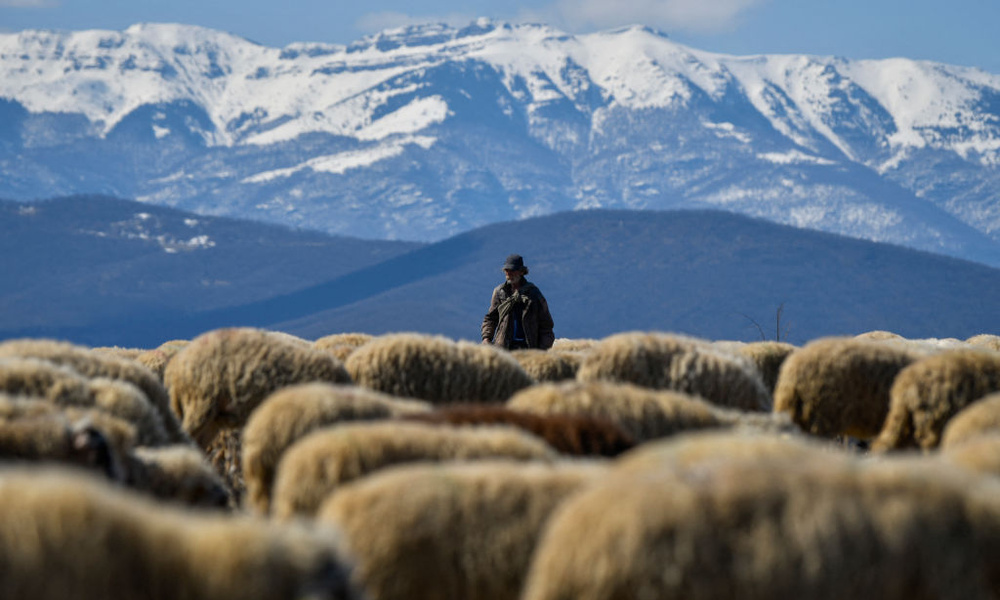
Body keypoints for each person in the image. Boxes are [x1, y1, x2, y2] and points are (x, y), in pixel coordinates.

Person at [481, 254, 555, 350]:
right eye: (507, 270)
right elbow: (491, 318)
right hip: (504, 349)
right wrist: (486, 338)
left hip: (528, 349)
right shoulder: (500, 292)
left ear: (521, 272)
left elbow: (546, 327)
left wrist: (541, 350)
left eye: (513, 270)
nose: (509, 274)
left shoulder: (534, 294)